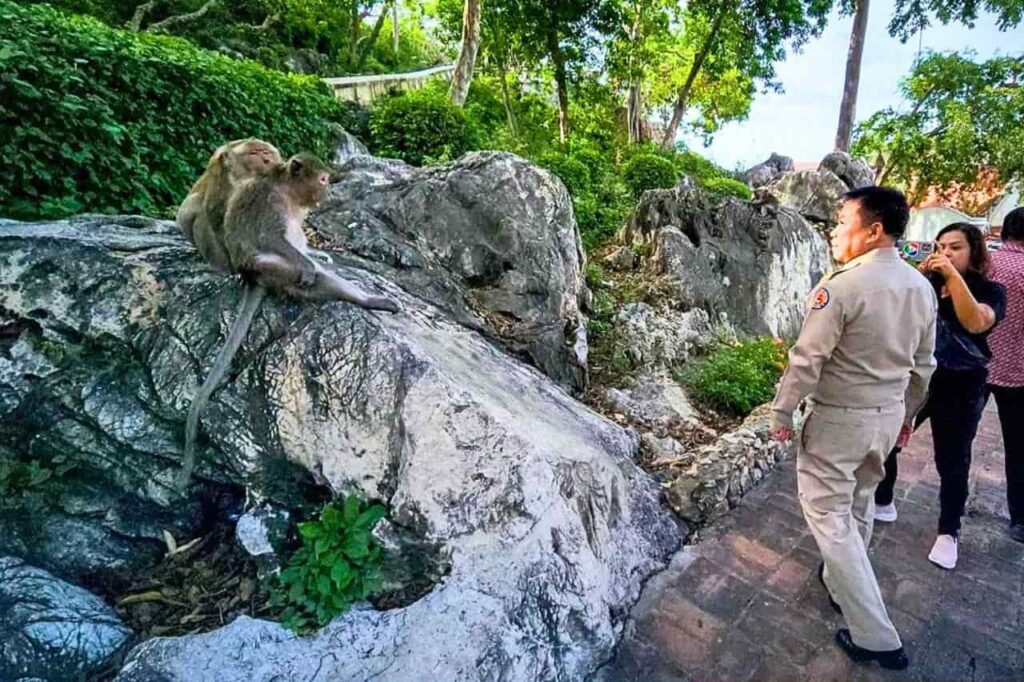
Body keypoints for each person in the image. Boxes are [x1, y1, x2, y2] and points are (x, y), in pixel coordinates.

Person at [769, 186, 936, 671]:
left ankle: (877, 636)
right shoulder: (920, 288)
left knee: (829, 520)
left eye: (842, 221)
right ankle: (842, 586)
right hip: (885, 419)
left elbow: (806, 359)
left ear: (874, 230)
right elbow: (924, 367)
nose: (834, 231)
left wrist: (781, 412)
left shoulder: (841, 287)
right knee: (859, 504)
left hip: (840, 419)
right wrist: (906, 417)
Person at [874, 223, 1005, 569]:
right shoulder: (927, 284)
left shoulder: (991, 290)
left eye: (955, 248)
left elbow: (977, 322)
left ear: (975, 252)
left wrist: (951, 277)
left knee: (952, 458)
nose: (945, 254)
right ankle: (883, 500)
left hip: (960, 387)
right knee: (887, 439)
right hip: (916, 379)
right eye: (941, 247)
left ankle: (949, 532)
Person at [986, 206, 1024, 543]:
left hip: (973, 363)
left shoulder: (987, 263)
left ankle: (882, 481)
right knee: (1018, 446)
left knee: (930, 420)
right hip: (1017, 371)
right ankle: (1020, 519)